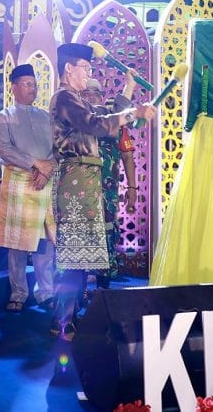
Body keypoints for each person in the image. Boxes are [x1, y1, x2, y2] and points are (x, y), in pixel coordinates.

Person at [49, 42, 155, 341]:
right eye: (85, 68)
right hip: (75, 180)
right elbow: (95, 124)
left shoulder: (76, 100)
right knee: (72, 254)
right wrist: (134, 113)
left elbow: (106, 114)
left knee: (82, 255)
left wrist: (129, 89)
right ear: (68, 68)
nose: (88, 74)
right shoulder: (64, 98)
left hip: (87, 181)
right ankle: (62, 320)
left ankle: (70, 315)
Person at [0, 64, 56, 313]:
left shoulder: (46, 116)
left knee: (44, 242)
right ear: (14, 87)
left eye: (35, 84)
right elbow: (5, 150)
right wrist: (35, 164)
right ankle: (18, 293)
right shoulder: (4, 116)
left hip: (45, 181)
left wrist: (46, 170)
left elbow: (57, 148)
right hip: (20, 181)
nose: (33, 89)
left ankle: (46, 292)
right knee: (18, 243)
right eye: (28, 84)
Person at [81, 78, 139, 290]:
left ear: (101, 96)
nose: (90, 97)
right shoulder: (78, 121)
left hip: (107, 192)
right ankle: (78, 289)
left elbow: (127, 156)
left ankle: (103, 287)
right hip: (80, 189)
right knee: (81, 232)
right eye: (86, 93)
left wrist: (132, 188)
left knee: (106, 231)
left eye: (95, 93)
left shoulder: (115, 122)